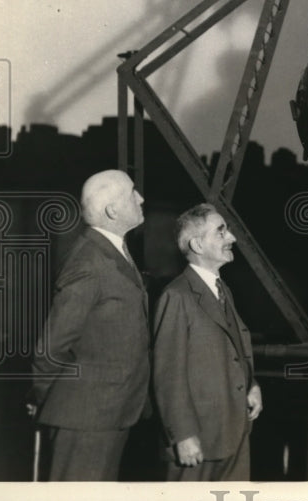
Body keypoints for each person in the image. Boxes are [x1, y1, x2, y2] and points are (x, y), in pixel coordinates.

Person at [28, 169, 150, 481]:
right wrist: (47, 398)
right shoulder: (89, 262)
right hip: (85, 418)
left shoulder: (111, 251)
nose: (141, 199)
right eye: (132, 193)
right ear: (112, 210)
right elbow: (51, 347)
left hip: (107, 414)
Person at [152, 203, 262, 481]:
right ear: (197, 245)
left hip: (233, 431)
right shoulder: (177, 296)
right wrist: (183, 434)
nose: (232, 238)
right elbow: (168, 373)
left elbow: (231, 349)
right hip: (199, 440)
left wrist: (251, 385)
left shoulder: (222, 290)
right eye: (221, 232)